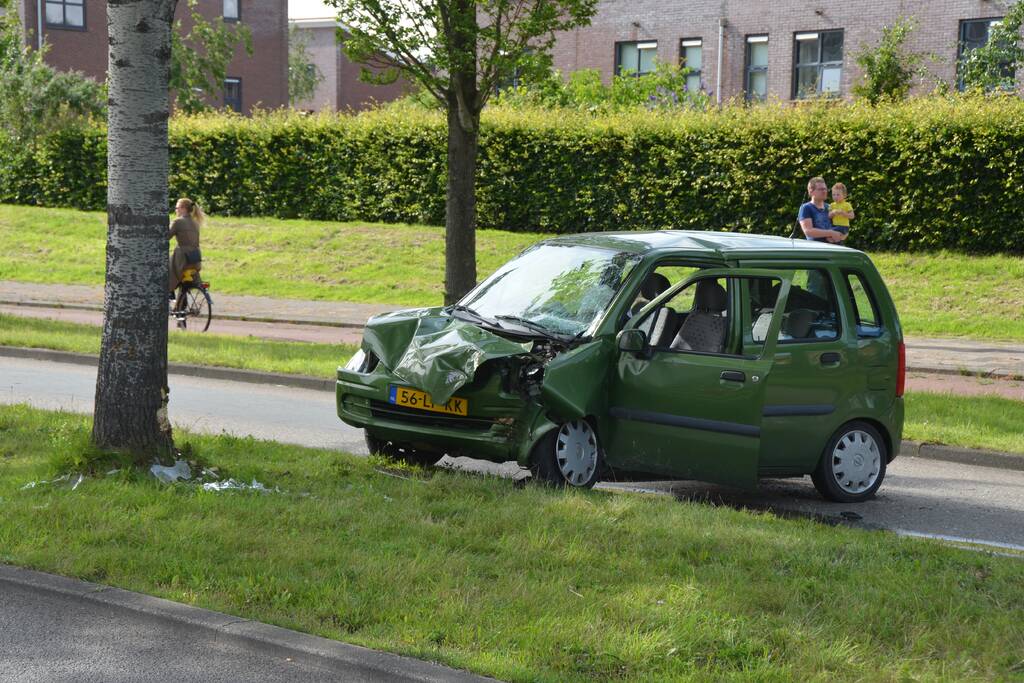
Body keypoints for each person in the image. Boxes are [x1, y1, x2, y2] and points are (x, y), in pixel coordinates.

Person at [168, 197, 204, 295]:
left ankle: (169, 295)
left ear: (183, 208)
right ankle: (180, 304)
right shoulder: (196, 223)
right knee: (183, 280)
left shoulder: (178, 222)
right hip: (195, 258)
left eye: (177, 208)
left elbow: (167, 236)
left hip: (182, 257)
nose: (176, 210)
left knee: (167, 272)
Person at [797, 176, 846, 243]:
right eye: (820, 189)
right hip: (818, 249)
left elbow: (842, 227)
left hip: (835, 248)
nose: (824, 191)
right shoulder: (806, 208)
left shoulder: (830, 207)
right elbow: (808, 231)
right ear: (811, 191)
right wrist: (831, 233)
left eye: (825, 189)